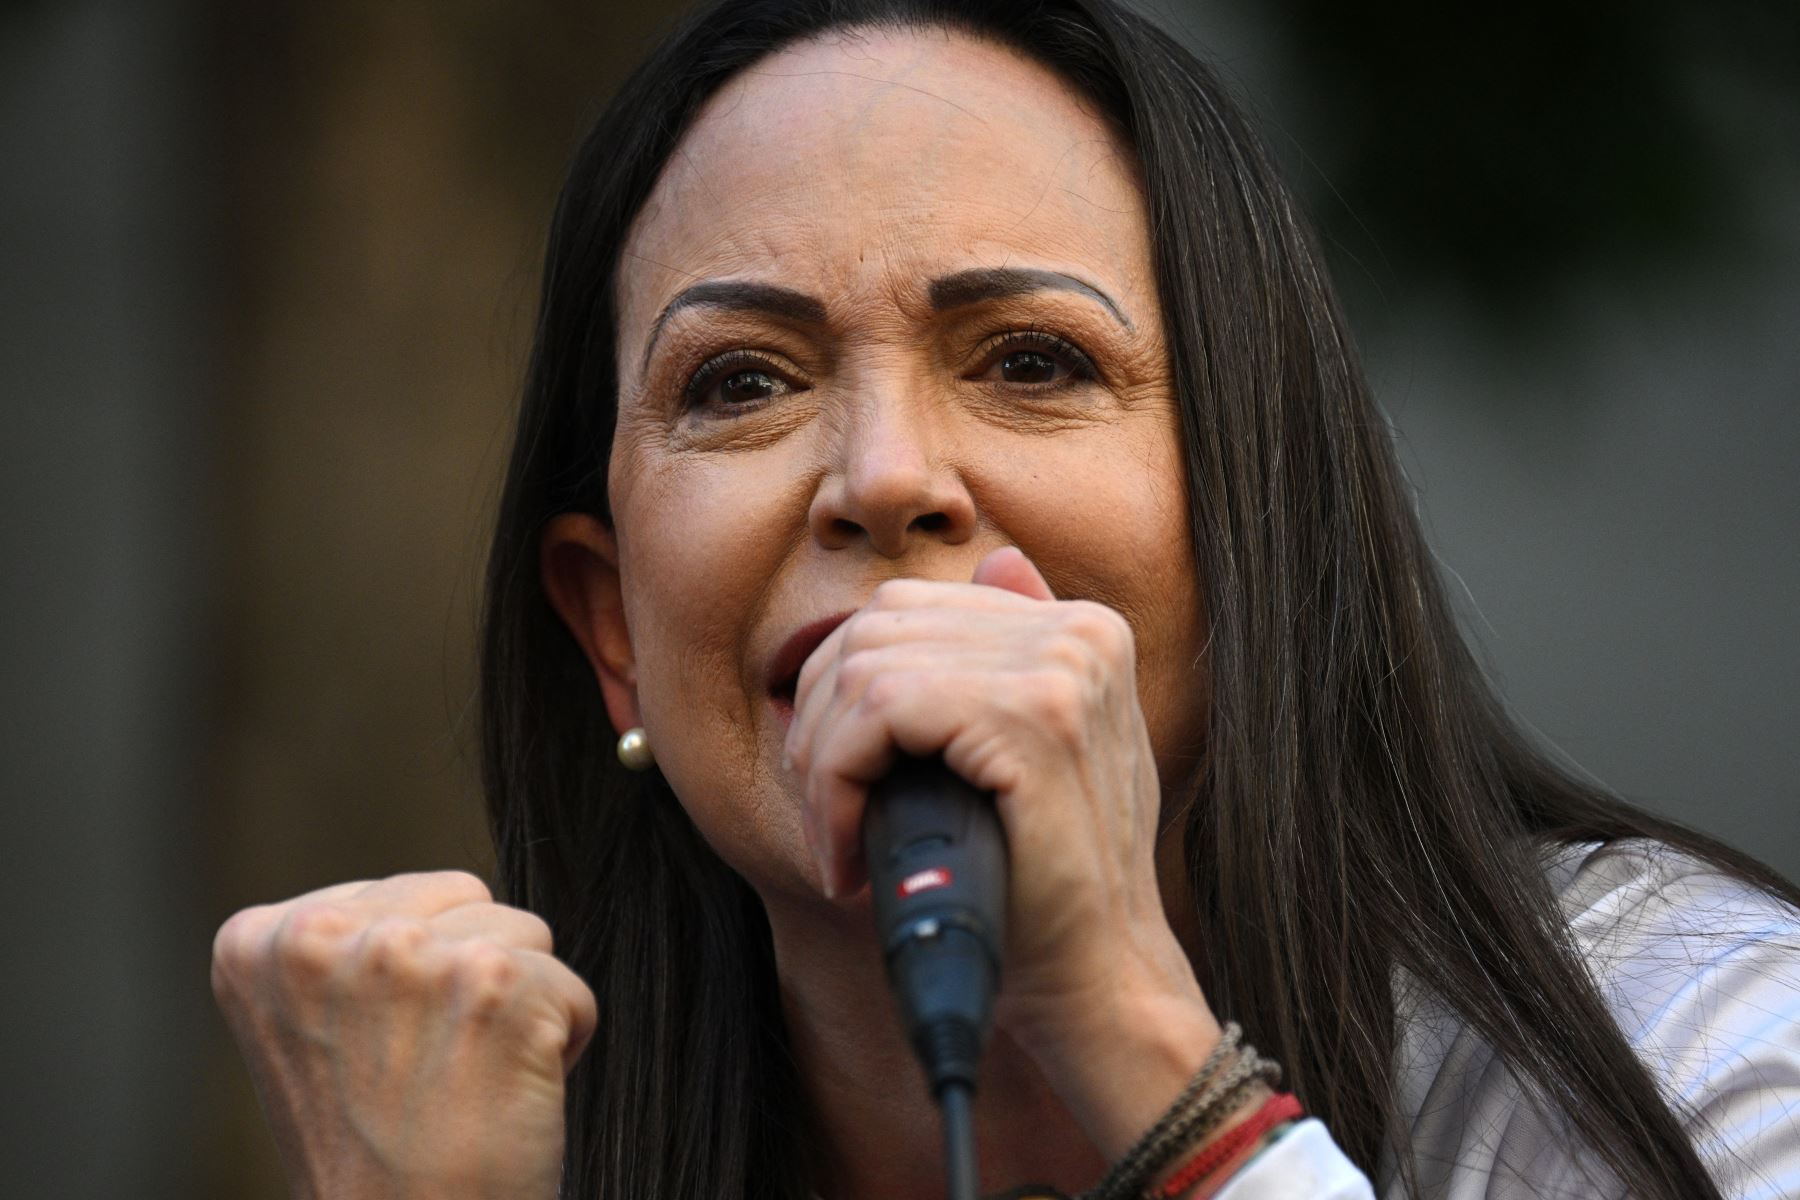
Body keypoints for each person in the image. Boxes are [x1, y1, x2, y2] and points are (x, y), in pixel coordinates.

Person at [208, 1, 1800, 1198]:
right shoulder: (481, 1133)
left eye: (1034, 362)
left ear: (1255, 527)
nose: (884, 476)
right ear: (615, 630)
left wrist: (1140, 1047)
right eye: (743, 381)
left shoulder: (1691, 1049)